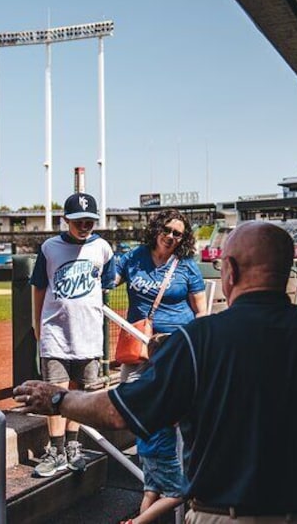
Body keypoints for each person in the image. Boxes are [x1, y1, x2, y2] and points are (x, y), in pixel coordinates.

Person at [15, 222, 297, 523]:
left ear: (229, 271)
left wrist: (59, 398)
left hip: (224, 514)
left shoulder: (198, 341)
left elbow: (118, 412)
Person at [115, 209, 207, 523]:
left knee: (175, 412)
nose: (170, 236)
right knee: (136, 406)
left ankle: (173, 481)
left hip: (175, 348)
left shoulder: (187, 267)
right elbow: (106, 280)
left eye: (177, 233)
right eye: (167, 229)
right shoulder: (134, 257)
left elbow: (201, 314)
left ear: (183, 238)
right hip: (138, 348)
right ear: (157, 228)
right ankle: (159, 475)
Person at [29, 191, 115, 477]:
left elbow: (106, 285)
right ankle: (55, 450)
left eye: (90, 220)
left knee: (79, 392)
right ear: (65, 219)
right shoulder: (50, 247)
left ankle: (73, 445)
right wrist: (36, 323)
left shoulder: (103, 248)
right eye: (79, 220)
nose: (85, 225)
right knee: (54, 390)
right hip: (55, 331)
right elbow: (39, 286)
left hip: (89, 334)